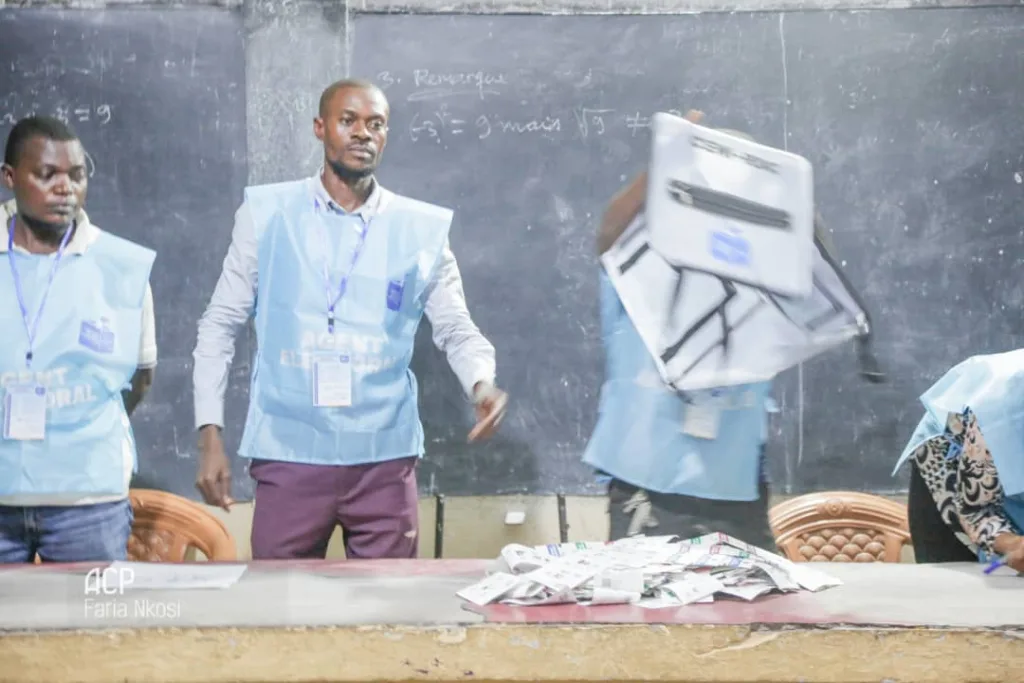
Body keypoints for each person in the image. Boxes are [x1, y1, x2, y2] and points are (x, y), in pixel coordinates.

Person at [193, 79, 508, 560]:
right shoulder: (268, 214)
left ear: (386, 135)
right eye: (348, 120)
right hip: (290, 455)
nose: (363, 133)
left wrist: (481, 384)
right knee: (280, 612)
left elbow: (455, 327)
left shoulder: (418, 229)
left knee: (387, 614)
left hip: (383, 461)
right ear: (321, 128)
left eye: (375, 124)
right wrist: (209, 433)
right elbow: (219, 324)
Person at [583, 111, 777, 550]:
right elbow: (609, 232)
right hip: (649, 485)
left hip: (735, 486)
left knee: (752, 611)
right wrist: (668, 161)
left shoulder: (762, 272)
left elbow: (807, 250)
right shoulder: (645, 260)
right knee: (650, 609)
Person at [0, 116, 157, 563]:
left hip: (87, 506)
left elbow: (140, 379)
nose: (65, 188)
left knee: (96, 632)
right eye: (47, 174)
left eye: (76, 175)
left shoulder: (120, 266)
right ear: (9, 178)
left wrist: (70, 422)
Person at [894, 349, 1024, 573]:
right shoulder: (1002, 412)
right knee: (957, 593)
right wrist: (1013, 543)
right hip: (959, 482)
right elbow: (976, 510)